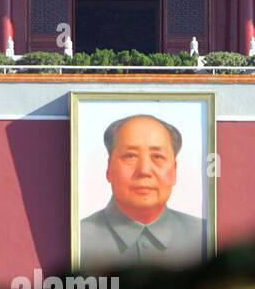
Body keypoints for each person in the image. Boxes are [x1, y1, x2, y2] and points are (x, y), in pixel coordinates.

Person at [79, 115, 204, 269]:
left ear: (174, 171)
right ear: (109, 168)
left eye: (157, 157)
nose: (144, 170)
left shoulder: (205, 236)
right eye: (130, 156)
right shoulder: (77, 237)